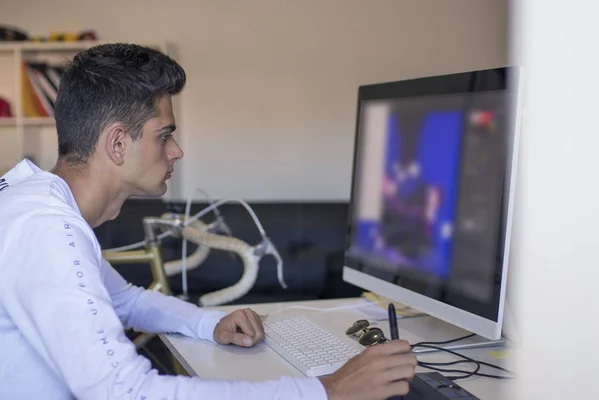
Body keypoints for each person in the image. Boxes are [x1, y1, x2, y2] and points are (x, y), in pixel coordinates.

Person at [0, 43, 417, 400]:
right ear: (116, 143)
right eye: (164, 135)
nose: (176, 151)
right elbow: (128, 393)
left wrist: (208, 323)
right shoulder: (46, 228)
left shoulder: (36, 204)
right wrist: (326, 390)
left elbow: (125, 300)